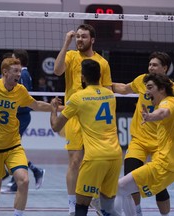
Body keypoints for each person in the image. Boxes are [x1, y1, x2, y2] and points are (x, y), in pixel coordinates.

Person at [114, 72, 174, 216]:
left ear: (161, 89)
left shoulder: (166, 103)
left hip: (162, 165)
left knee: (116, 188)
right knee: (125, 189)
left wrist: (150, 116)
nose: (147, 92)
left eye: (150, 87)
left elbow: (163, 113)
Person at [0, 57, 59, 216]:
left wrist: (53, 108)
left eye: (20, 71)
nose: (19, 75)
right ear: (5, 72)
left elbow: (35, 105)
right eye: (15, 71)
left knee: (24, 181)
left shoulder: (20, 90)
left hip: (14, 146)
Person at [112, 51, 174, 216]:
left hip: (161, 143)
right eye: (150, 64)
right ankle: (136, 212)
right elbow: (123, 88)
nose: (150, 68)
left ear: (165, 68)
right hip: (139, 140)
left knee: (160, 186)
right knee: (129, 178)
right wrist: (103, 83)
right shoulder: (142, 80)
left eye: (155, 65)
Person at [50, 59, 122, 216]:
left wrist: (53, 109)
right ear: (100, 75)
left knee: (81, 206)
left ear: (82, 77)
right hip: (116, 156)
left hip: (95, 157)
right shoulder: (110, 95)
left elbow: (56, 126)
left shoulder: (78, 98)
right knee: (108, 210)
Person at [54, 24, 112, 216]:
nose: (79, 40)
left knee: (93, 161)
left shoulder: (102, 63)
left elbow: (108, 91)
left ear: (92, 40)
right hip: (74, 116)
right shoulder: (71, 56)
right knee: (75, 161)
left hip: (94, 118)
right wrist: (66, 42)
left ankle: (93, 197)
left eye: (83, 37)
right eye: (77, 36)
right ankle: (73, 205)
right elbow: (57, 71)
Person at [2, 49, 45, 193]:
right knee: (12, 149)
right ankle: (26, 174)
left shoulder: (23, 75)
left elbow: (23, 97)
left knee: (12, 149)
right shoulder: (23, 74)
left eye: (13, 58)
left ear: (19, 60)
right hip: (18, 116)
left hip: (21, 116)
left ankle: (19, 178)